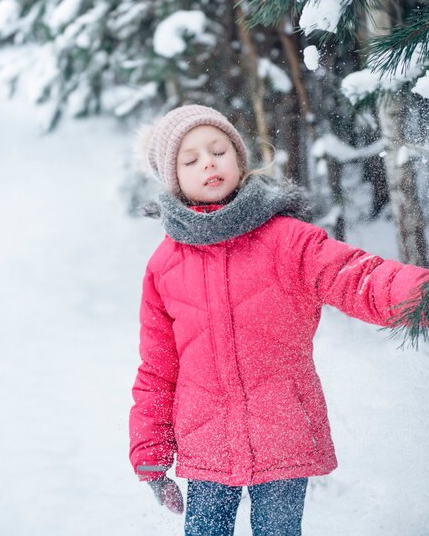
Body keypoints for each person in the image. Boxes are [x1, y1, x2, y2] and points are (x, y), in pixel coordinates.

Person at [128, 104, 428, 536]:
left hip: (282, 427)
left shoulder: (288, 240)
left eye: (219, 150)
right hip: (205, 439)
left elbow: (359, 276)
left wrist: (421, 296)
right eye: (190, 159)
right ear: (174, 180)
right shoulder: (164, 266)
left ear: (239, 158)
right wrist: (150, 449)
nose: (209, 162)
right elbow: (157, 367)